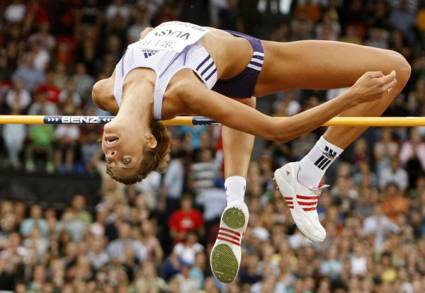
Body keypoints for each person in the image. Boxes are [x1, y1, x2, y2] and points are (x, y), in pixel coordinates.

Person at [91, 21, 411, 283]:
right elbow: (277, 130)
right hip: (253, 64)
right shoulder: (179, 91)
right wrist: (351, 98)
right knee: (395, 68)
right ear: (148, 140)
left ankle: (235, 199)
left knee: (238, 103)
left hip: (219, 53)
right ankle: (307, 173)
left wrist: (151, 35)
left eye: (111, 160)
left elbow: (150, 39)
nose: (112, 154)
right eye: (126, 161)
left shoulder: (106, 92)